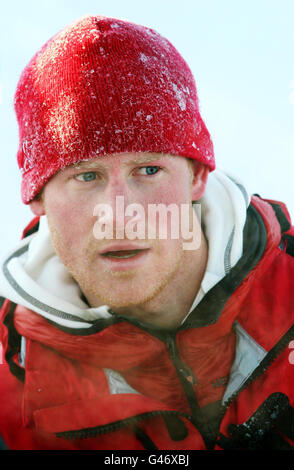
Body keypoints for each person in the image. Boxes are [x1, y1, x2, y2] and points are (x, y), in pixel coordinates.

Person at [0, 14, 294, 451]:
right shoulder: (9, 388)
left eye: (149, 169)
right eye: (86, 176)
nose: (120, 214)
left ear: (196, 176)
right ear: (37, 198)